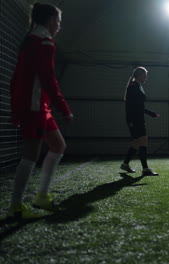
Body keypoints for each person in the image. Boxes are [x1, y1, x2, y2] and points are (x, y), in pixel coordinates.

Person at [7, 3, 73, 219]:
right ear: (50, 21)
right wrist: (64, 108)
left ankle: (41, 196)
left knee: (57, 145)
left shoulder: (30, 41)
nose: (59, 27)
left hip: (35, 105)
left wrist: (16, 106)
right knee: (31, 154)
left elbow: (16, 78)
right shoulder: (43, 42)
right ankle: (16, 206)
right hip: (34, 106)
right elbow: (48, 79)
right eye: (59, 22)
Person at [120, 67, 160, 176]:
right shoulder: (134, 87)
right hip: (135, 119)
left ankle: (125, 164)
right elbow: (135, 107)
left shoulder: (137, 86)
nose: (146, 78)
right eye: (145, 75)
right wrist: (150, 113)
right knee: (143, 141)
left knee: (137, 143)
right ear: (139, 75)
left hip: (137, 119)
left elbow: (139, 106)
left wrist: (150, 113)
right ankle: (145, 169)